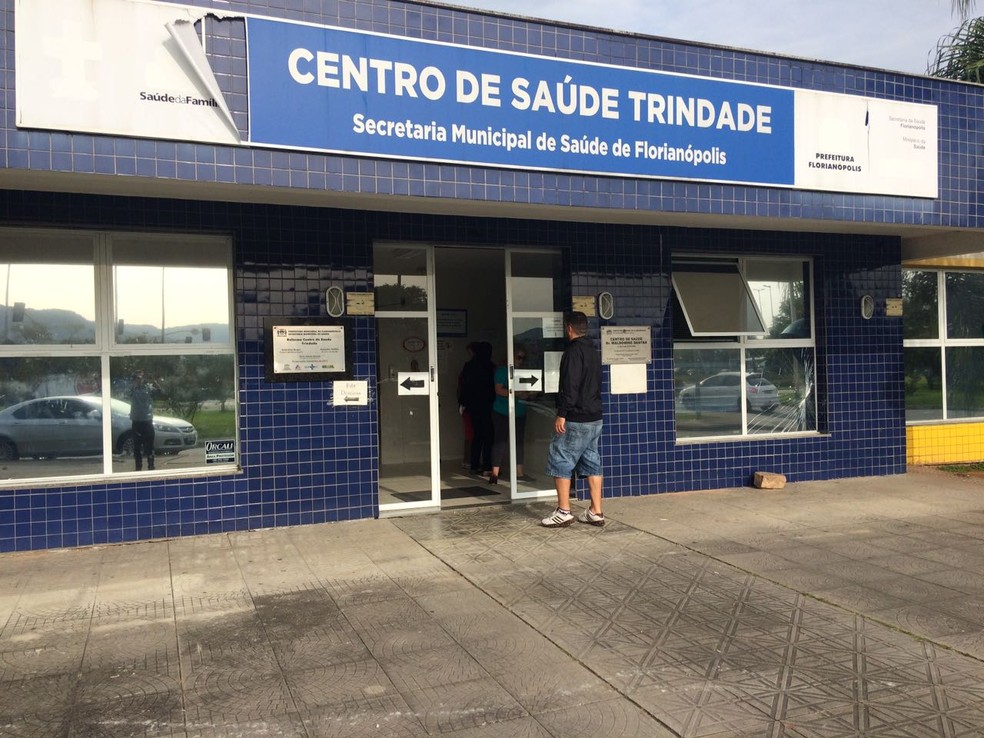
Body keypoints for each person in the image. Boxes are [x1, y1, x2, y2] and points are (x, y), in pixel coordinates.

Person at [541, 311, 604, 527]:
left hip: (576, 417)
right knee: (592, 460)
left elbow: (571, 386)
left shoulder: (572, 352)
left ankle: (563, 510)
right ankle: (596, 511)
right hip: (595, 417)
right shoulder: (594, 351)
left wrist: (562, 413)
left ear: (568, 328)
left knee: (560, 457)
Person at [488, 345, 536, 485]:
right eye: (518, 357)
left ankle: (519, 472)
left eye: (523, 358)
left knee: (519, 442)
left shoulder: (522, 372)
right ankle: (494, 473)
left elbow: (528, 390)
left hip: (519, 411)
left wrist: (529, 394)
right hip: (501, 411)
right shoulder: (502, 371)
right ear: (511, 357)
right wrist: (516, 393)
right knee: (500, 441)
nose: (521, 360)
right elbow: (499, 390)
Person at [458, 340, 495, 474]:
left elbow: (464, 386)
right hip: (487, 406)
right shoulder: (490, 366)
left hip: (472, 406)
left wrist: (464, 402)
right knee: (488, 436)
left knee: (477, 435)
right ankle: (486, 465)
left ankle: (474, 464)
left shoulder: (469, 366)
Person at [129, 370, 157, 471]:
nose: (139, 380)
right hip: (136, 421)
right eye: (137, 378)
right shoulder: (132, 388)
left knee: (149, 446)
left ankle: (151, 465)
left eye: (140, 378)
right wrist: (134, 383)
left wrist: (154, 381)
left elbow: (161, 393)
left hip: (147, 421)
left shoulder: (148, 388)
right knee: (137, 447)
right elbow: (127, 393)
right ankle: (138, 467)